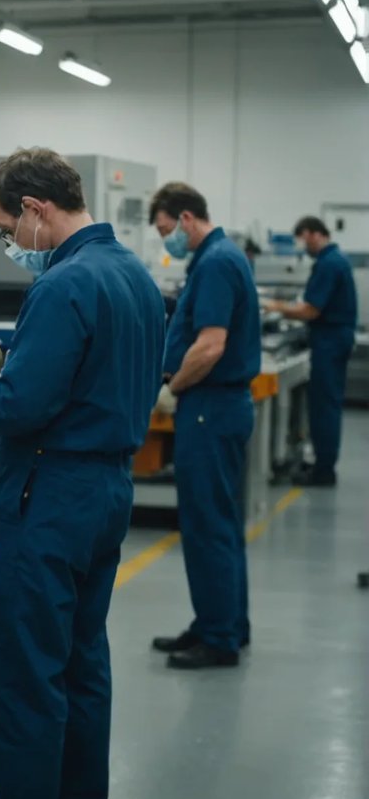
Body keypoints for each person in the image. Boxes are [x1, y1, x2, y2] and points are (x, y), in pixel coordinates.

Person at [0, 148, 164, 799]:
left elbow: (17, 409)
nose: (12, 245)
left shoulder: (63, 286)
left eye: (9, 229)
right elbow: (90, 378)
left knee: (26, 670)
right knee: (81, 662)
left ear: (36, 210)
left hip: (49, 497)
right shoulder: (134, 276)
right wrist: (21, 361)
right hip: (107, 490)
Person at [148, 182, 261, 670]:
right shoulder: (219, 257)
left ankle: (218, 638)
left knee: (206, 525)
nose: (165, 241)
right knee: (222, 523)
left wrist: (172, 389)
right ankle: (225, 622)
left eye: (165, 230)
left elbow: (211, 346)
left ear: (187, 218)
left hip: (208, 409)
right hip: (218, 408)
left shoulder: (216, 262)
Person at [265, 216, 359, 486]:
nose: (303, 246)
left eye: (303, 239)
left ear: (313, 234)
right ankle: (322, 463)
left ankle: (324, 471)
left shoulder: (329, 264)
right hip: (332, 339)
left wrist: (275, 306)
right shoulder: (336, 260)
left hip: (329, 341)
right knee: (326, 404)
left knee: (324, 406)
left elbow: (309, 310)